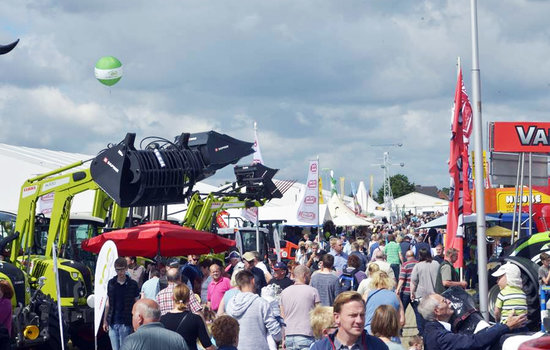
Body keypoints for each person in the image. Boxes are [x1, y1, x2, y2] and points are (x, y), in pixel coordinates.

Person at [418, 293, 527, 350]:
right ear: (437, 311)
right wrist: (506, 326)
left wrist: (501, 325)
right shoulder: (440, 337)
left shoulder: (431, 330)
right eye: (444, 301)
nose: (449, 302)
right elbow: (473, 342)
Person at [309, 291, 388, 350]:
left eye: (362, 315)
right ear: (337, 317)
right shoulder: (320, 348)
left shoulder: (377, 346)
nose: (359, 320)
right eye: (353, 315)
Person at [226, 270, 282, 350]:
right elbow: (276, 332)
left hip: (237, 347)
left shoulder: (230, 304)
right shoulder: (261, 303)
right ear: (253, 281)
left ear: (238, 286)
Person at [160, 283, 214, 350]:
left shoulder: (162, 320)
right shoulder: (195, 319)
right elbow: (208, 346)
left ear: (172, 298)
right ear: (188, 299)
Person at [120, 298, 188, 350]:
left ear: (139, 318)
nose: (132, 318)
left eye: (133, 315)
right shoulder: (177, 339)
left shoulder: (131, 341)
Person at [280, 265, 321, 350]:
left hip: (289, 335)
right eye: (309, 276)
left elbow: (282, 317)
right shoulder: (313, 291)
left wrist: (283, 338)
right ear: (304, 275)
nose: (310, 278)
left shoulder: (284, 292)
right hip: (306, 334)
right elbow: (318, 315)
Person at [103, 257, 140, 350]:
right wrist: (105, 320)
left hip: (126, 321)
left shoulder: (133, 284)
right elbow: (108, 302)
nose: (120, 272)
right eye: (118, 270)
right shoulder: (111, 283)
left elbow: (137, 303)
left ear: (126, 268)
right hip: (112, 321)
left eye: (122, 270)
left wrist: (137, 320)